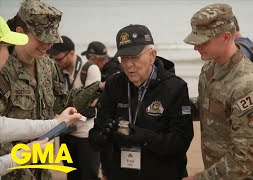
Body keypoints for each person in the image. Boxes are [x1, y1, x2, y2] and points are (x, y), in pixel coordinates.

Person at [0, 1, 103, 179]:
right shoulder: (3, 67)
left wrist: (98, 89)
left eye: (52, 40)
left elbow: (61, 103)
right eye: (41, 39)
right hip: (12, 169)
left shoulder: (47, 65)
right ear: (20, 32)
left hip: (43, 165)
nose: (48, 45)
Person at [88, 24, 194, 180]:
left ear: (152, 55)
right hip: (122, 174)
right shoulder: (113, 85)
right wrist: (103, 136)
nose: (129, 65)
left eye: (135, 57)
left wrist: (144, 137)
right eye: (124, 58)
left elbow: (181, 142)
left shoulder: (175, 87)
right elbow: (94, 140)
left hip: (163, 174)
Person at [183, 3, 253, 180]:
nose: (196, 47)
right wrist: (173, 104)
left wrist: (200, 179)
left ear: (225, 37)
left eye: (203, 41)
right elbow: (207, 107)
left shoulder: (246, 86)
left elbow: (244, 159)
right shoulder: (210, 67)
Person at [47, 35, 101, 180]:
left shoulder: (90, 69)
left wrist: (63, 111)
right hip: (66, 135)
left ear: (71, 53)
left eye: (58, 59)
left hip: (85, 136)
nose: (56, 63)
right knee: (71, 175)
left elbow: (92, 102)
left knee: (88, 175)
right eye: (53, 59)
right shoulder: (58, 71)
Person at [81, 41, 123, 180]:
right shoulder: (113, 68)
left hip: (112, 127)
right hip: (109, 126)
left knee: (109, 165)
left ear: (94, 58)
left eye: (88, 58)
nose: (88, 61)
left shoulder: (112, 74)